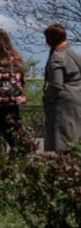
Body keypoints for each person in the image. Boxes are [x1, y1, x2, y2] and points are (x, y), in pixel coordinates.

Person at [43, 24, 81, 152]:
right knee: (74, 140)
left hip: (63, 105)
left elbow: (56, 85)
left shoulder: (57, 57)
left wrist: (46, 98)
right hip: (77, 100)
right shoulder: (74, 54)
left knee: (62, 143)